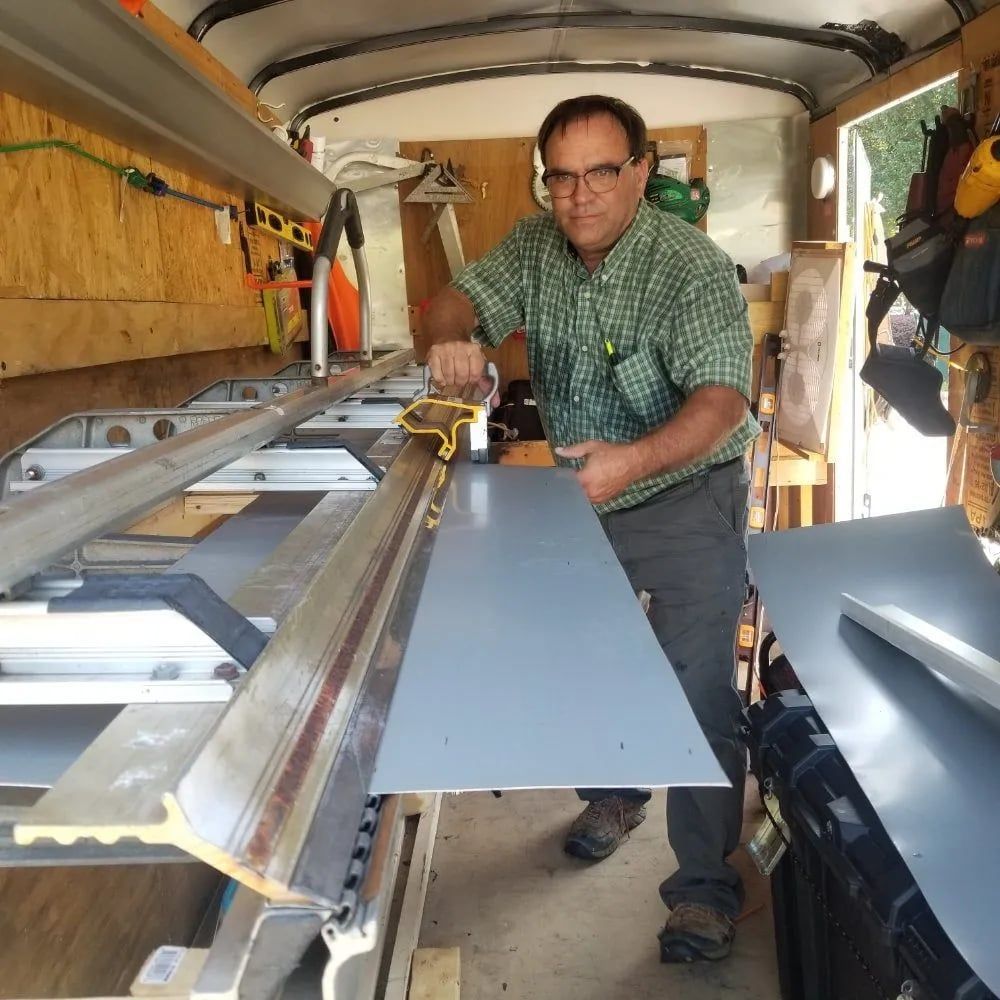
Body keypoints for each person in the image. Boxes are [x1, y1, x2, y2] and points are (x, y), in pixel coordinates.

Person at [422, 95, 759, 963]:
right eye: (561, 178)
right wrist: (455, 343)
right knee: (573, 656)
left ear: (641, 173)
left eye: (601, 173)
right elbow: (452, 302)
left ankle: (702, 890)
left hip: (688, 491)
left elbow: (723, 402)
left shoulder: (690, 267)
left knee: (697, 694)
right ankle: (615, 794)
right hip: (587, 492)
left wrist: (632, 461)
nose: (579, 196)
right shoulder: (537, 246)